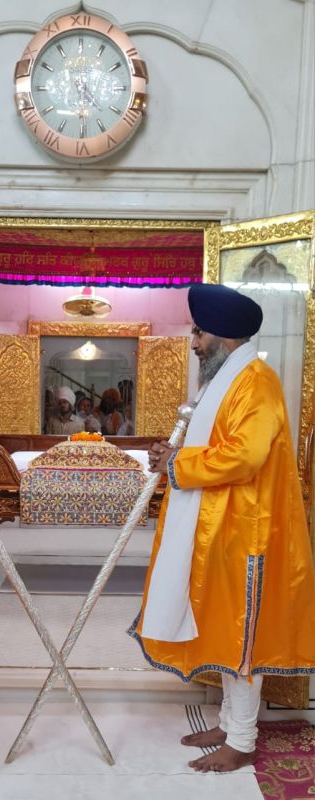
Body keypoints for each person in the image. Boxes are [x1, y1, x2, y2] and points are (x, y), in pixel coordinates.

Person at [130, 283, 315, 773]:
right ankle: (229, 723)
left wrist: (179, 463)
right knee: (230, 629)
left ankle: (243, 739)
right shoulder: (227, 381)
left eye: (199, 333)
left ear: (225, 338)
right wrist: (174, 459)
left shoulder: (256, 382)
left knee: (245, 635)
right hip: (222, 530)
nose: (193, 343)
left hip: (248, 534)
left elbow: (245, 456)